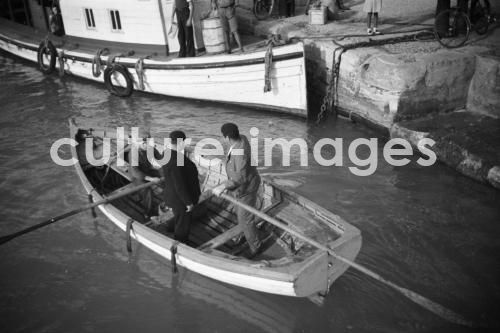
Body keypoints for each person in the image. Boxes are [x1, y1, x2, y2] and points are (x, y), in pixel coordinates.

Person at [212, 123, 262, 257]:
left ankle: (256, 247)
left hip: (246, 189)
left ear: (227, 138)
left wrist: (222, 186)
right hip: (239, 187)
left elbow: (240, 178)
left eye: (223, 137)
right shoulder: (242, 138)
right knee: (240, 214)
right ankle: (245, 234)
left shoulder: (240, 154)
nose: (222, 139)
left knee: (245, 218)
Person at [161, 131, 201, 242]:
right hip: (180, 200)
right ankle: (180, 243)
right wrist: (188, 203)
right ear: (180, 142)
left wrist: (184, 154)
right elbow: (180, 185)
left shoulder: (166, 153)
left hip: (171, 195)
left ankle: (170, 229)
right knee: (182, 225)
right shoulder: (176, 161)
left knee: (177, 218)